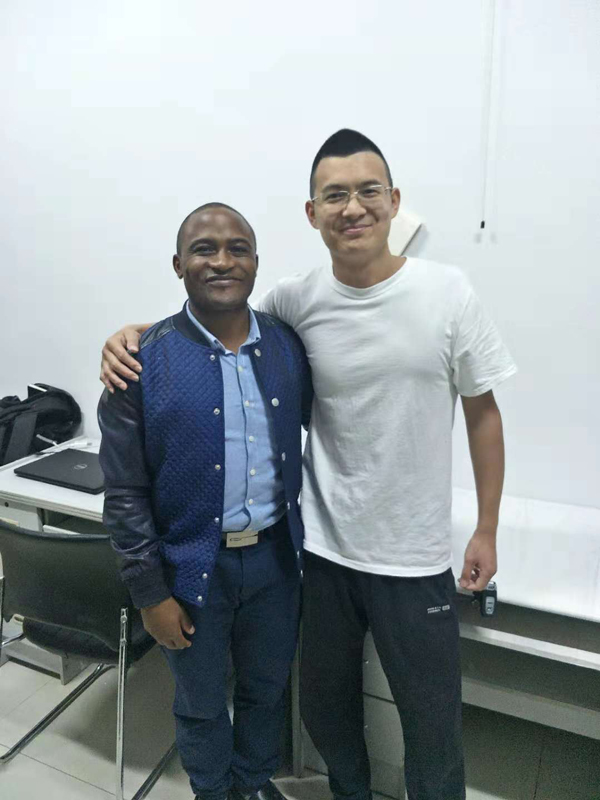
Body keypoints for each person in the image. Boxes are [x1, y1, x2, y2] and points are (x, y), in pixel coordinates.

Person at [100, 130, 517, 800]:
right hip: (318, 555)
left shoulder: (447, 293)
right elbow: (213, 324)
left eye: (367, 191)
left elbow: (483, 414)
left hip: (410, 557)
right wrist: (136, 338)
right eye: (335, 195)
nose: (352, 207)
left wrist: (487, 528)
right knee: (323, 711)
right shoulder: (296, 302)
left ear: (393, 201)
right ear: (312, 212)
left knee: (430, 723)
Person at [98, 202, 312, 800]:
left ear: (256, 262)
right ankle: (213, 792)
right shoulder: (140, 361)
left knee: (267, 691)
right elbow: (124, 493)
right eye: (204, 249)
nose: (222, 261)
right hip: (191, 570)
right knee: (200, 702)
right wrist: (150, 593)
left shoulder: (288, 348)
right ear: (178, 264)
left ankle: (253, 784)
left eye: (237, 248)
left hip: (276, 562)